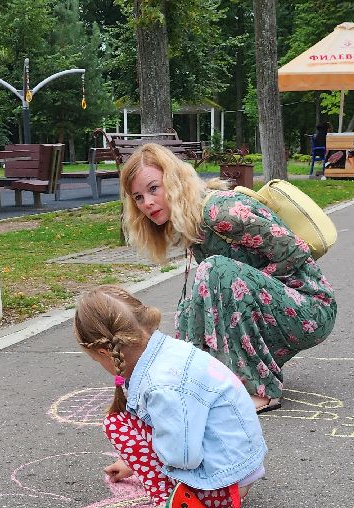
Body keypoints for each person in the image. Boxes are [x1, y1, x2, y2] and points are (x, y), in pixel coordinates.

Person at [119, 142, 336, 412]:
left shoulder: (221, 211)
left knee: (216, 273)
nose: (147, 203)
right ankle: (189, 383)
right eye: (138, 197)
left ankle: (261, 391)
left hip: (310, 308)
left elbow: (296, 252)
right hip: (278, 307)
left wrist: (246, 286)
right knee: (193, 302)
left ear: (173, 181)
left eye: (153, 188)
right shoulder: (192, 223)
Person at [73, 285, 267, 508]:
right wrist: (135, 461)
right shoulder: (167, 351)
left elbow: (182, 457)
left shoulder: (160, 385)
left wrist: (146, 457)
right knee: (129, 424)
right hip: (238, 470)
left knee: (116, 424)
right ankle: (186, 499)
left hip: (221, 489)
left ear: (105, 353)